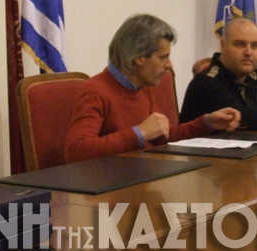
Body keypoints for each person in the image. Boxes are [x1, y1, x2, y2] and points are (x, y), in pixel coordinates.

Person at [65, 14, 240, 162]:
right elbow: (76, 151)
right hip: (110, 187)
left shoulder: (142, 85)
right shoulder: (95, 91)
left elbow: (163, 135)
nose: (169, 65)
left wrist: (206, 123)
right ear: (139, 57)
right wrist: (139, 133)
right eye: (163, 57)